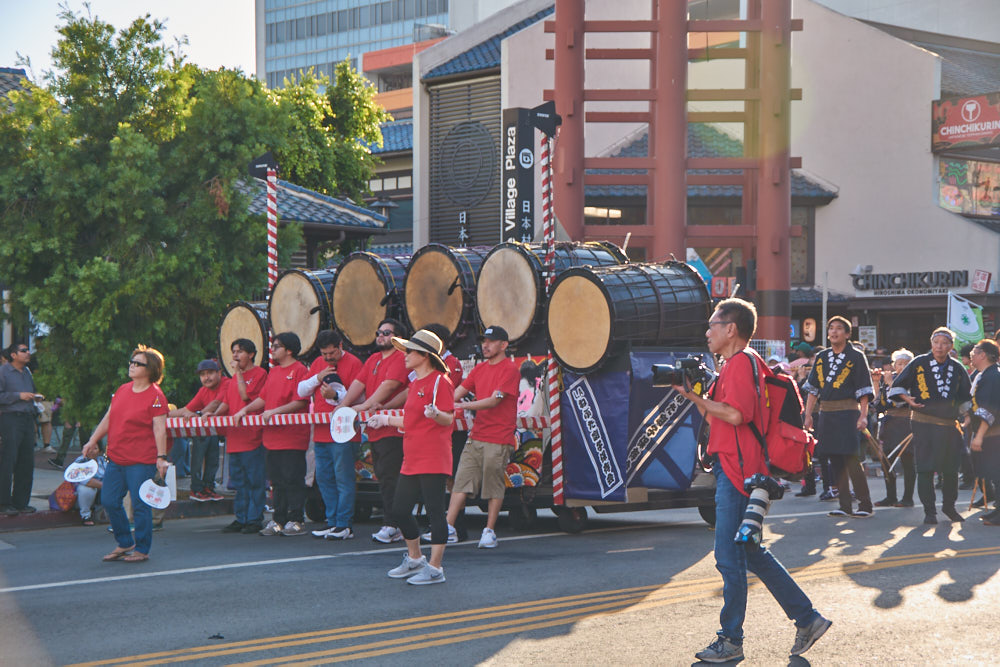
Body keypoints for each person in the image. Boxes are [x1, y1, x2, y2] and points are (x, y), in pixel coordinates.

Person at [672, 298, 830, 663]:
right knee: (749, 552)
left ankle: (731, 640)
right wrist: (693, 394)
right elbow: (717, 419)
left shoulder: (741, 363)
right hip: (738, 466)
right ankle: (807, 619)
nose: (707, 331)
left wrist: (698, 396)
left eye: (713, 324)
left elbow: (736, 414)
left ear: (731, 329)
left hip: (739, 472)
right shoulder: (735, 365)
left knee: (729, 556)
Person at [366, 329, 454, 585]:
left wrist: (435, 414)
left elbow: (448, 418)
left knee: (435, 512)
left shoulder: (440, 381)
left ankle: (436, 568)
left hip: (433, 455)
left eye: (409, 351)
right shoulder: (415, 382)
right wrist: (384, 419)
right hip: (412, 455)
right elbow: (411, 419)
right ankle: (416, 559)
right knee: (400, 509)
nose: (404, 355)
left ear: (424, 355)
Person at [82, 346, 170, 562]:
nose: (132, 365)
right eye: (132, 361)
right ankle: (124, 542)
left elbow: (160, 429)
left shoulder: (156, 396)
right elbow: (109, 417)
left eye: (138, 363)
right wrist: (93, 440)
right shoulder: (122, 390)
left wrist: (161, 457)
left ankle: (142, 549)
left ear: (150, 369)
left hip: (141, 460)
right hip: (116, 457)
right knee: (110, 500)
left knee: (141, 506)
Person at [442, 326, 520, 548]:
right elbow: (458, 392)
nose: (485, 345)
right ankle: (448, 526)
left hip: (499, 436)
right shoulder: (479, 370)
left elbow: (495, 400)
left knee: (493, 483)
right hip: (476, 435)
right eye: (484, 341)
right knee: (461, 480)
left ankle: (489, 530)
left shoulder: (510, 370)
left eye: (491, 341)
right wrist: (443, 405)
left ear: (503, 345)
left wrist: (459, 405)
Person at [889, 327, 972, 524]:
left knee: (951, 469)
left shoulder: (958, 367)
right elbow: (898, 385)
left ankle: (949, 507)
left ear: (951, 346)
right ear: (931, 344)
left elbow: (965, 398)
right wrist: (908, 400)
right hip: (923, 424)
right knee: (925, 468)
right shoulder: (918, 363)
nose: (939, 347)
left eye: (944, 343)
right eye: (936, 343)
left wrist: (968, 416)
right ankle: (929, 511)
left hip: (949, 426)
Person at [338, 318, 409, 544]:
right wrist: (342, 407)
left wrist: (363, 406)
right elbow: (358, 385)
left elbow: (388, 386)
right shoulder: (373, 359)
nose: (381, 336)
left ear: (398, 338)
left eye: (387, 333)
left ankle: (394, 524)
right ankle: (393, 523)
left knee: (390, 478)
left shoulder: (401, 357)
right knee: (384, 477)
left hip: (393, 428)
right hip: (375, 428)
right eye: (379, 332)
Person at [233, 332, 310, 536]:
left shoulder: (300, 370)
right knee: (276, 481)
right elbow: (263, 398)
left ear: (289, 350)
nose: (272, 350)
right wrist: (246, 409)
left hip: (293, 436)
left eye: (277, 346)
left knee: (293, 478)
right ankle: (278, 519)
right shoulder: (274, 372)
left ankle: (296, 519)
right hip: (272, 437)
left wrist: (275, 411)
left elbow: (301, 401)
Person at [802, 317, 875, 518]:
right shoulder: (822, 357)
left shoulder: (856, 356)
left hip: (849, 412)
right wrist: (807, 415)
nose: (834, 332)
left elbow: (864, 390)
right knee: (834, 459)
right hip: (826, 413)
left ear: (847, 334)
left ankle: (865, 504)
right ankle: (844, 505)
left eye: (839, 329)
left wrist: (863, 415)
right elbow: (813, 389)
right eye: (831, 328)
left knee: (851, 458)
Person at [298, 330, 363, 540]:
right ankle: (333, 521)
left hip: (344, 431)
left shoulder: (354, 363)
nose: (328, 358)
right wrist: (317, 377)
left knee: (343, 478)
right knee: (325, 478)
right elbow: (301, 391)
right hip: (321, 431)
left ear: (341, 346)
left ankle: (344, 524)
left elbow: (360, 397)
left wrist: (335, 396)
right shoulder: (317, 364)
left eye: (332, 353)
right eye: (324, 354)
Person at [216, 339, 268, 534]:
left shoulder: (259, 374)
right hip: (234, 437)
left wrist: (237, 373)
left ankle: (254, 518)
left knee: (254, 480)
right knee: (238, 482)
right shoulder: (231, 380)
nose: (235, 355)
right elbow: (227, 403)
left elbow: (246, 396)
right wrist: (213, 415)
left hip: (252, 437)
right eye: (234, 351)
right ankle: (241, 517)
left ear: (251, 355)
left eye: (240, 352)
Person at [169, 360, 229, 501]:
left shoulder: (227, 383)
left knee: (212, 454)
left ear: (219, 373)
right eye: (202, 374)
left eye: (210, 373)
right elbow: (186, 410)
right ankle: (197, 489)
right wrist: (162, 414)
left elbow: (217, 403)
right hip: (213, 431)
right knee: (201, 445)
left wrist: (199, 414)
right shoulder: (203, 390)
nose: (206, 377)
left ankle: (207, 487)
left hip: (231, 432)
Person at [0, 342, 42, 516]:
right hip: (10, 419)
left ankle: (21, 502)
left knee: (26, 461)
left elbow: (30, 393)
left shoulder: (26, 373)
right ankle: (4, 503)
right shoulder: (3, 372)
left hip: (26, 418)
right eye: (23, 351)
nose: (27, 353)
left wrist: (34, 399)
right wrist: (18, 396)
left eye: (28, 350)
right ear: (13, 355)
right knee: (7, 461)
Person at [873, 349, 916, 508]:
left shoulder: (913, 380)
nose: (902, 366)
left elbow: (903, 401)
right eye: (899, 363)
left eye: (906, 364)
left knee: (907, 461)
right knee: (886, 461)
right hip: (889, 423)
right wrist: (877, 383)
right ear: (894, 365)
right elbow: (877, 404)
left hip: (906, 422)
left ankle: (907, 498)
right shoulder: (888, 379)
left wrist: (891, 383)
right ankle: (890, 496)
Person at [968, 339, 1000, 526]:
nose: (972, 354)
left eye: (975, 350)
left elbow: (989, 408)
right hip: (990, 433)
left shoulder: (992, 376)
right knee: (994, 473)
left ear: (983, 355)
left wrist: (979, 436)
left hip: (994, 434)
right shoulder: (983, 375)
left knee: (997, 473)